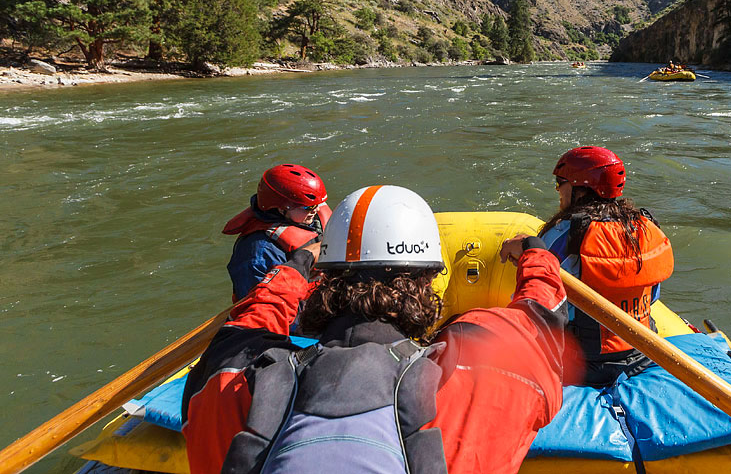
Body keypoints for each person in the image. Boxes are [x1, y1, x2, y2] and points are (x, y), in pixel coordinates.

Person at [183, 185, 567, 474]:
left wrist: (296, 266)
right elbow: (541, 316)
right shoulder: (486, 375)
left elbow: (247, 323)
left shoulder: (226, 380)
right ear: (428, 280)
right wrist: (535, 253)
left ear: (325, 278)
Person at [539, 146, 674, 387]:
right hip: (641, 354)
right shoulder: (646, 228)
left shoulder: (564, 235)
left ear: (580, 189)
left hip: (581, 365)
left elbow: (540, 304)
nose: (558, 189)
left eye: (560, 182)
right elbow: (653, 297)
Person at [223, 164, 331, 301]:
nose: (315, 210)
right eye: (308, 207)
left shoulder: (309, 219)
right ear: (281, 209)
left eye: (318, 204)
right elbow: (264, 307)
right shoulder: (258, 254)